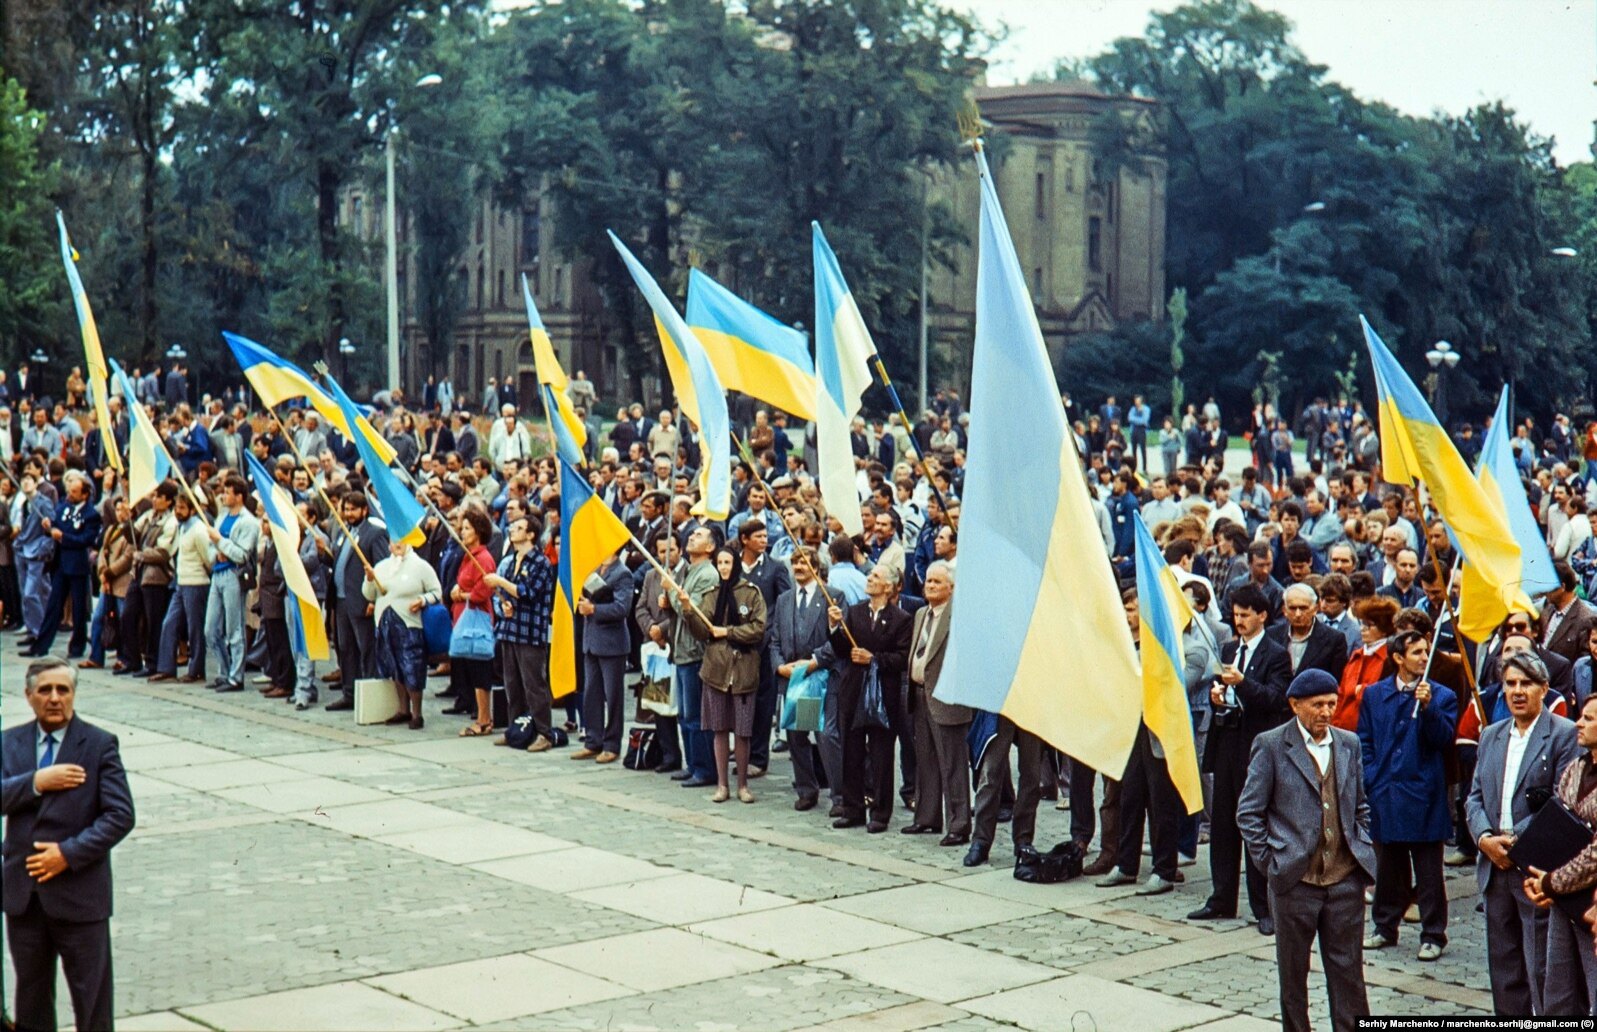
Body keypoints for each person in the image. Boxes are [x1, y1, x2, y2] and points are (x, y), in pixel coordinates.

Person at [1236, 669, 1375, 1032]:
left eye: (1331, 703)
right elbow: (1249, 813)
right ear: (1295, 705)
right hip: (1295, 880)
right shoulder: (1271, 745)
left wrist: (1361, 844)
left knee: (1349, 974)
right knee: (1293, 975)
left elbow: (1359, 804)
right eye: (1317, 705)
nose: (1326, 712)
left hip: (1344, 880)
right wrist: (1272, 863)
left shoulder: (1348, 743)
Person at [2, 657, 136, 1032]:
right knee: (31, 1000)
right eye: (45, 690)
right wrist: (36, 782)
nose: (55, 698)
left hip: (80, 898)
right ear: (29, 696)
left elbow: (120, 815)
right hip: (25, 898)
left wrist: (68, 854)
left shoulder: (98, 744)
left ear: (74, 694)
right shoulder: (9, 743)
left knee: (92, 1005)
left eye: (63, 689)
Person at [1465, 650, 1579, 1014]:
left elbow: (1564, 801)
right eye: (1510, 684)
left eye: (1526, 684)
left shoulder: (1563, 735)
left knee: (1543, 969)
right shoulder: (1491, 735)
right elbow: (1473, 798)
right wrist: (1484, 839)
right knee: (1504, 968)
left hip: (1533, 868)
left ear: (1544, 688)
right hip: (1494, 868)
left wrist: (1516, 843)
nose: (1517, 691)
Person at [1190, 584, 1291, 932]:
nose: (1240, 621)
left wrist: (1243, 683)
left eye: (1246, 615)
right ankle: (1222, 897)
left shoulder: (1276, 654)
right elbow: (1222, 687)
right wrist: (1218, 694)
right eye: (1235, 614)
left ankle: (1263, 906)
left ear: (1262, 616)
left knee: (1254, 824)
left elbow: (1277, 699)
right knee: (1223, 824)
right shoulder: (1230, 647)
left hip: (1257, 746)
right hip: (1228, 741)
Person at [1358, 629, 1458, 960]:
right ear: (1398, 658)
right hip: (1386, 792)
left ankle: (1433, 934)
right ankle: (1385, 926)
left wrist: (1428, 709)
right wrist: (1372, 776)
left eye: (1426, 651)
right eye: (1416, 652)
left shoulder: (1442, 695)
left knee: (1429, 872)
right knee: (1387, 868)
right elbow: (1365, 740)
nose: (1423, 658)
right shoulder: (1375, 695)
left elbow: (1444, 739)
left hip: (1424, 794)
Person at [1098, 585, 1185, 896]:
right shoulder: (1122, 643)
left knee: (1161, 801)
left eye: (1132, 609)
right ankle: (1126, 864)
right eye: (1125, 609)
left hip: (1157, 729)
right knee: (1129, 797)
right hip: (1131, 728)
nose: (1127, 614)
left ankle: (1164, 869)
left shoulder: (1159, 644)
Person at [1524, 692, 1597, 1014]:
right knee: (1559, 987)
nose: (1578, 722)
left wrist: (1552, 882)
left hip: (1591, 902)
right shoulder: (1574, 769)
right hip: (1562, 901)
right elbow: (1555, 824)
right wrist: (1540, 879)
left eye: (1589, 719)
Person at [826, 564, 912, 833]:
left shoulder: (901, 619)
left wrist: (874, 659)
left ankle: (880, 812)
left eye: (875, 576)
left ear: (888, 586)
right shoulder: (856, 611)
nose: (870, 579)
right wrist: (833, 627)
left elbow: (902, 658)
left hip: (882, 695)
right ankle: (852, 808)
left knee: (881, 754)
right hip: (853, 691)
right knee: (851, 751)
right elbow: (842, 649)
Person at [680, 545, 768, 802]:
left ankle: (742, 785)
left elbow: (758, 628)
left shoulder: (750, 593)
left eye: (728, 562)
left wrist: (728, 632)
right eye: (720, 563)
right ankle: (722, 785)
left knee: (742, 731)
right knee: (719, 729)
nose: (724, 567)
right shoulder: (711, 594)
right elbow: (700, 630)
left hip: (743, 670)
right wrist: (688, 610)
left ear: (736, 563)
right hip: (716, 670)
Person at [900, 560, 970, 845]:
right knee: (925, 759)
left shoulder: (959, 616)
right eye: (928, 581)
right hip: (919, 695)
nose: (930, 586)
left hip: (946, 699)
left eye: (936, 582)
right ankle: (927, 816)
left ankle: (959, 823)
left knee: (952, 763)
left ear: (951, 588)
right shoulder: (920, 614)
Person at [769, 547, 836, 811]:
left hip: (817, 678)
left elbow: (836, 640)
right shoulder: (785, 599)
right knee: (795, 736)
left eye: (805, 562)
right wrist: (779, 667)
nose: (799, 567)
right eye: (795, 562)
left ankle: (839, 796)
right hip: (792, 679)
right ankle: (806, 790)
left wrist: (813, 662)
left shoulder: (831, 596)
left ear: (816, 567)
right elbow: (774, 640)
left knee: (823, 737)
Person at [485, 514, 557, 750]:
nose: (513, 530)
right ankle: (516, 730)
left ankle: (544, 732)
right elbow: (510, 595)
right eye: (513, 526)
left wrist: (500, 583)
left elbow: (528, 592)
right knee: (512, 684)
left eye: (519, 528)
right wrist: (505, 602)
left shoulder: (540, 563)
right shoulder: (513, 559)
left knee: (534, 685)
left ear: (531, 534)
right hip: (510, 630)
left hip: (530, 632)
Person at [365, 535, 443, 729]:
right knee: (394, 667)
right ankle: (402, 709)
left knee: (412, 667)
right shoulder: (382, 566)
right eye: (394, 541)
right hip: (384, 623)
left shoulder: (421, 566)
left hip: (409, 625)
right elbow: (369, 594)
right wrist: (369, 580)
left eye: (401, 540)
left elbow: (436, 592)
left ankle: (417, 713)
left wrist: (422, 601)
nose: (397, 545)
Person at [27, 472, 101, 659]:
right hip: (60, 563)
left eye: (75, 492)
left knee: (78, 608)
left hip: (77, 565)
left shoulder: (91, 514)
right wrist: (49, 525)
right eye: (69, 491)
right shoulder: (64, 506)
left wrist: (64, 537)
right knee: (54, 605)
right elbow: (57, 523)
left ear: (85, 494)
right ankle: (40, 645)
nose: (70, 495)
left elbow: (86, 538)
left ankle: (77, 646)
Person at [668, 528, 720, 788]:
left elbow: (694, 612)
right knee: (685, 714)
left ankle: (704, 768)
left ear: (710, 547)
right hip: (681, 651)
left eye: (699, 535)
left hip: (695, 652)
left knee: (696, 715)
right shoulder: (687, 570)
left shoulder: (708, 574)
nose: (691, 537)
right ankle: (692, 763)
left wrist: (670, 593)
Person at [328, 491, 388, 711]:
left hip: (362, 601)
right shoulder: (344, 532)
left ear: (364, 510)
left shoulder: (374, 534)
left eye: (353, 509)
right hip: (342, 600)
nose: (348, 513)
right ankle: (349, 693)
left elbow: (381, 567)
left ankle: (369, 696)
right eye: (346, 509)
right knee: (345, 649)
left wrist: (374, 599)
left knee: (366, 649)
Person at [571, 552, 634, 762]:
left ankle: (612, 744)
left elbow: (622, 608)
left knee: (613, 696)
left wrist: (593, 609)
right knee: (591, 694)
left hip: (612, 644)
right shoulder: (595, 569)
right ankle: (593, 740)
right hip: (591, 641)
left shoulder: (622, 574)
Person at [203, 476, 260, 692]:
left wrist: (221, 543)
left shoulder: (249, 522)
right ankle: (224, 670)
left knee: (234, 628)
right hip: (217, 574)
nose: (223, 496)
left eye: (228, 493)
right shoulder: (222, 516)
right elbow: (211, 543)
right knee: (210, 628)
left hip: (234, 576)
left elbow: (242, 554)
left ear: (239, 496)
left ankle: (236, 676)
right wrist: (216, 552)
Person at [447, 508, 499, 737]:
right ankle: (481, 715)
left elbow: (483, 591)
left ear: (478, 531)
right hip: (462, 618)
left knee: (480, 669)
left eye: (467, 528)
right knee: (470, 668)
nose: (463, 532)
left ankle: (484, 719)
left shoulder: (484, 559)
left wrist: (462, 595)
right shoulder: (468, 555)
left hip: (476, 617)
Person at [150, 493, 211, 684]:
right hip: (181, 582)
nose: (178, 511)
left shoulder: (199, 530)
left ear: (193, 510)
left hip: (196, 583)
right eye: (176, 507)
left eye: (182, 508)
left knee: (195, 628)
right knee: (169, 623)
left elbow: (208, 558)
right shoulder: (181, 527)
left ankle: (197, 669)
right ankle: (166, 667)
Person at [1266, 583, 1349, 682]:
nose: (1298, 614)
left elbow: (1336, 682)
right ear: (1284, 610)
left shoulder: (1334, 640)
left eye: (1303, 608)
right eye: (1292, 608)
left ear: (1315, 609)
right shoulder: (1272, 635)